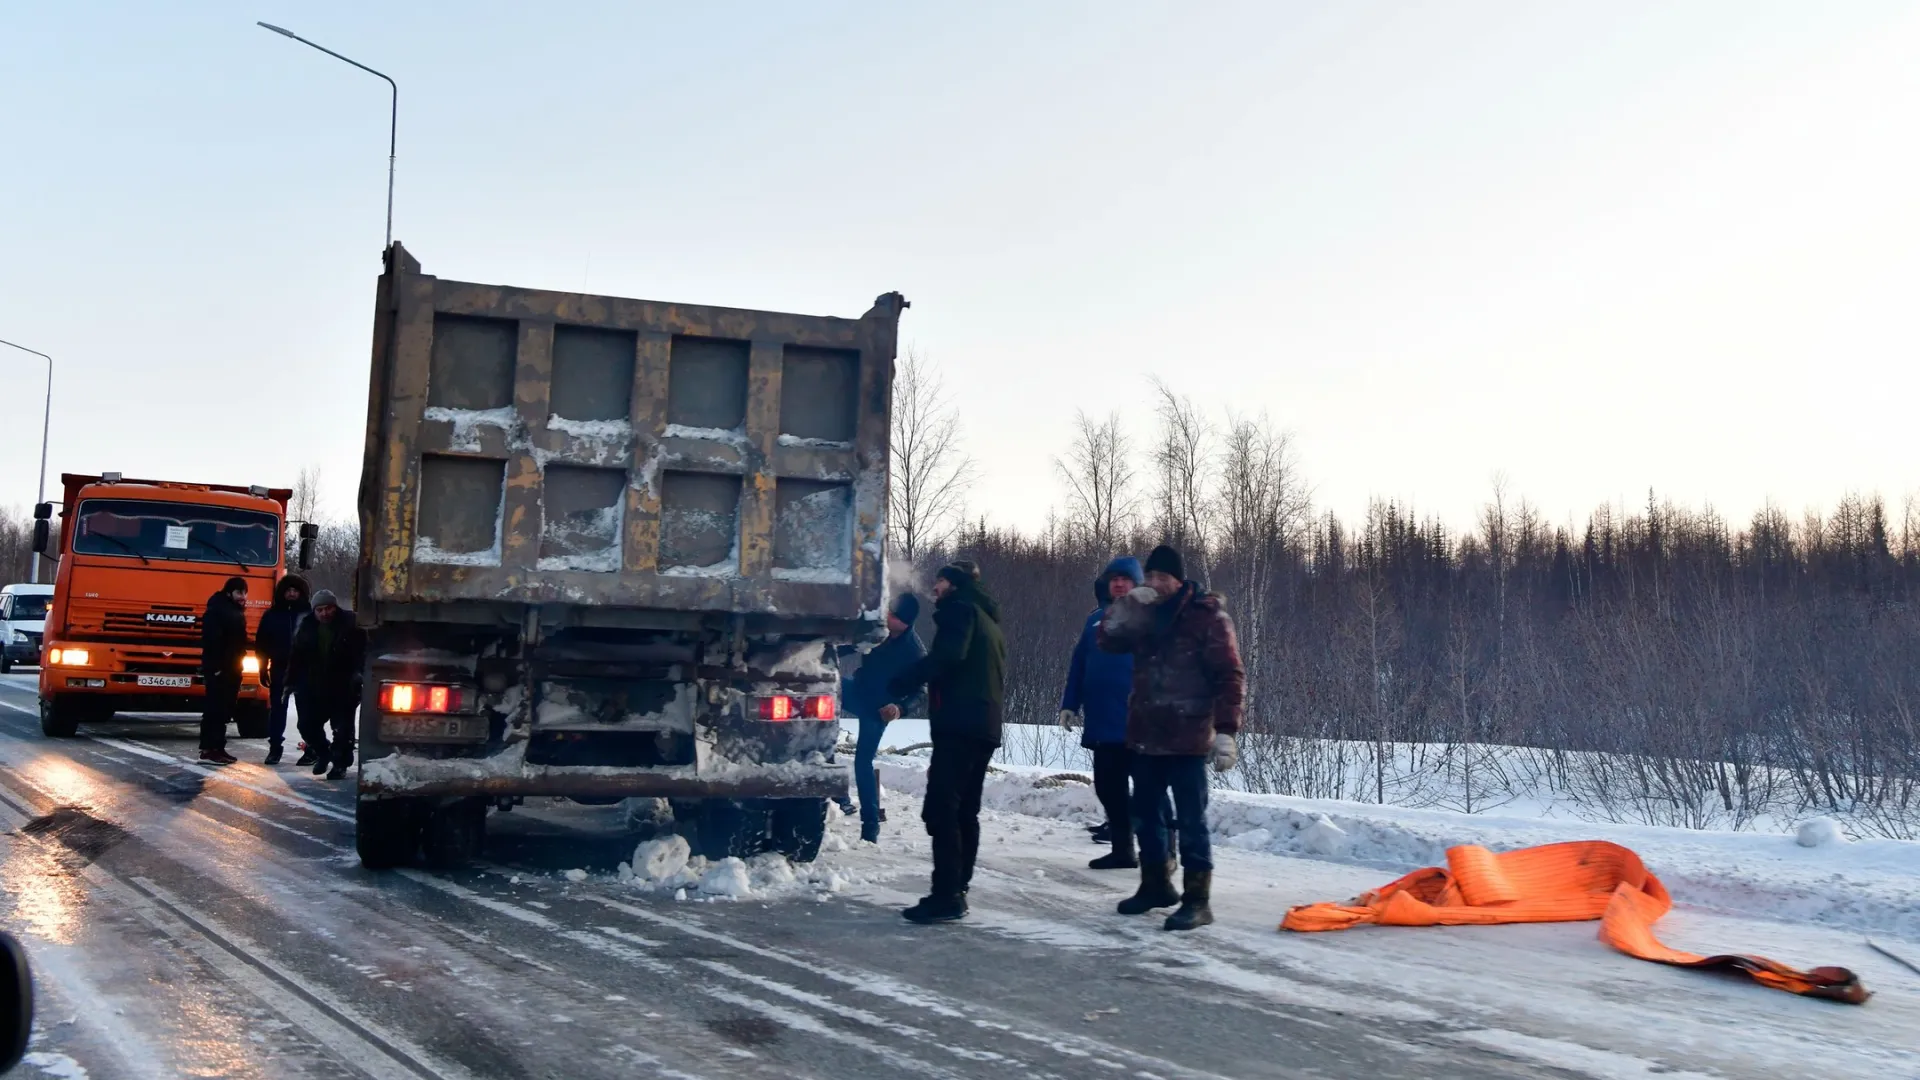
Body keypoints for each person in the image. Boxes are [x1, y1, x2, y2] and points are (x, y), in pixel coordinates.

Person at [1097, 543, 1245, 931]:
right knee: (1145, 815)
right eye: (1152, 577)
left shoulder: (1208, 617)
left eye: (1164, 577)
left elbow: (1230, 675)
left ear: (1179, 581)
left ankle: (1198, 899)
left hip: (1189, 735)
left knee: (1192, 820)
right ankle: (1155, 885)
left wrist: (1227, 732)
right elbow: (1107, 642)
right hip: (1146, 733)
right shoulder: (1144, 614)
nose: (1156, 584)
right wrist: (1128, 605)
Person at [889, 562, 1006, 924]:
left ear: (953, 585)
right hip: (983, 725)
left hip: (959, 724)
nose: (935, 588)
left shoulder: (960, 611)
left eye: (939, 581)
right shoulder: (989, 621)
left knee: (941, 809)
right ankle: (958, 889)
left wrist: (906, 680)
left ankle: (946, 895)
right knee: (964, 810)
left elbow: (948, 657)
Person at [1060, 555, 1170, 870]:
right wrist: (1070, 703)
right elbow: (1079, 663)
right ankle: (1123, 850)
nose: (1119, 583)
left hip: (1141, 722)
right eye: (1114, 579)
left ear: (1137, 583)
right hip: (1102, 722)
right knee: (1109, 787)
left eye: (1125, 578)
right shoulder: (1096, 619)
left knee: (1151, 792)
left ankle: (1167, 853)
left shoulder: (1152, 617)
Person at [838, 593, 927, 844]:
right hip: (858, 691)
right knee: (826, 687)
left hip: (878, 709)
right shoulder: (877, 629)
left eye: (893, 616)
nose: (887, 616)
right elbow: (847, 646)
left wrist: (899, 708)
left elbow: (921, 692)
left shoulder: (914, 652)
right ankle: (836, 793)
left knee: (862, 763)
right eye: (888, 611)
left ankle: (870, 828)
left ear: (905, 623)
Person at [286, 589, 366, 781]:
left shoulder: (350, 624)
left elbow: (362, 652)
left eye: (328, 608)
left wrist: (359, 674)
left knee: (342, 728)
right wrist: (289, 682)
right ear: (314, 611)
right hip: (315, 686)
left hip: (343, 685)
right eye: (320, 610)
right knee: (306, 725)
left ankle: (340, 764)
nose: (324, 613)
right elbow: (296, 657)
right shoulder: (306, 626)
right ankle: (323, 752)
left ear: (335, 607)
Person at [253, 573, 311, 766]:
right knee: (278, 710)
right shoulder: (272, 615)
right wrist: (262, 666)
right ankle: (275, 748)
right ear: (282, 593)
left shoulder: (309, 615)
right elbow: (261, 643)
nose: (292, 594)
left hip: (304, 668)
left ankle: (311, 748)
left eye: (295, 591)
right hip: (279, 667)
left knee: (306, 711)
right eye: (289, 590)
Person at [197, 576, 252, 766]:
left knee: (224, 709)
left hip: (232, 668)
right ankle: (209, 750)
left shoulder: (233, 610)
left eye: (245, 593)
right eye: (239, 592)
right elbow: (213, 641)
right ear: (229, 593)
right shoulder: (218, 611)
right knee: (215, 709)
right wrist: (217, 668)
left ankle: (218, 748)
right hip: (221, 669)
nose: (242, 596)